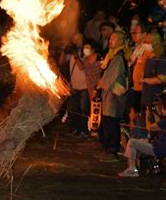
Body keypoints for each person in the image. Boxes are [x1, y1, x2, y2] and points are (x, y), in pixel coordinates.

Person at [96, 31, 129, 162]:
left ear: (120, 41)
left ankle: (113, 151)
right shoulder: (113, 56)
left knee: (111, 124)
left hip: (114, 97)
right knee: (107, 123)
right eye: (110, 39)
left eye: (113, 39)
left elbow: (109, 77)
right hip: (109, 96)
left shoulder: (119, 58)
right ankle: (108, 150)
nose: (110, 41)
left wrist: (98, 86)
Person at [118, 94, 166, 177]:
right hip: (159, 146)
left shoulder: (164, 122)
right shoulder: (163, 122)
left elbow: (149, 127)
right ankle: (133, 167)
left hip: (158, 149)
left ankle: (132, 169)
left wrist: (147, 115)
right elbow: (158, 124)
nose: (161, 110)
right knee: (139, 141)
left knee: (132, 142)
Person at [59, 32, 89, 137]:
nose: (76, 41)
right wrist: (64, 50)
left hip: (84, 86)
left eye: (78, 39)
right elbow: (61, 62)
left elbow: (82, 67)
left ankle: (84, 130)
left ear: (83, 39)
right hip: (74, 86)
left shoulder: (86, 51)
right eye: (74, 39)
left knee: (83, 109)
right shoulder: (72, 53)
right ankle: (75, 129)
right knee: (73, 109)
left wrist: (76, 55)